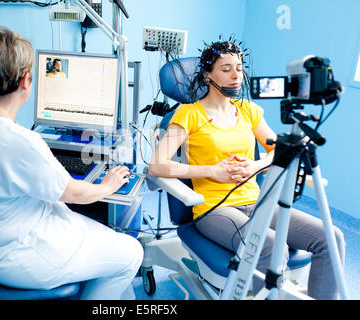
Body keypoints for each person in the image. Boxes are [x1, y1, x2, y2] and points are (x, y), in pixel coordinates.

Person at [0, 27, 143, 300]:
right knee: (131, 253)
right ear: (25, 82)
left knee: (105, 239)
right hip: (18, 256)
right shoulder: (22, 143)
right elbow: (75, 194)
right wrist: (108, 184)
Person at [148, 40, 345, 300]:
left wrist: (257, 164)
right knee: (273, 247)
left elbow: (277, 149)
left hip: (257, 203)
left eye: (239, 68)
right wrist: (213, 171)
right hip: (215, 209)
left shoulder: (248, 110)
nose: (235, 75)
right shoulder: (188, 113)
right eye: (226, 68)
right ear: (208, 75)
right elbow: (157, 165)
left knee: (332, 237)